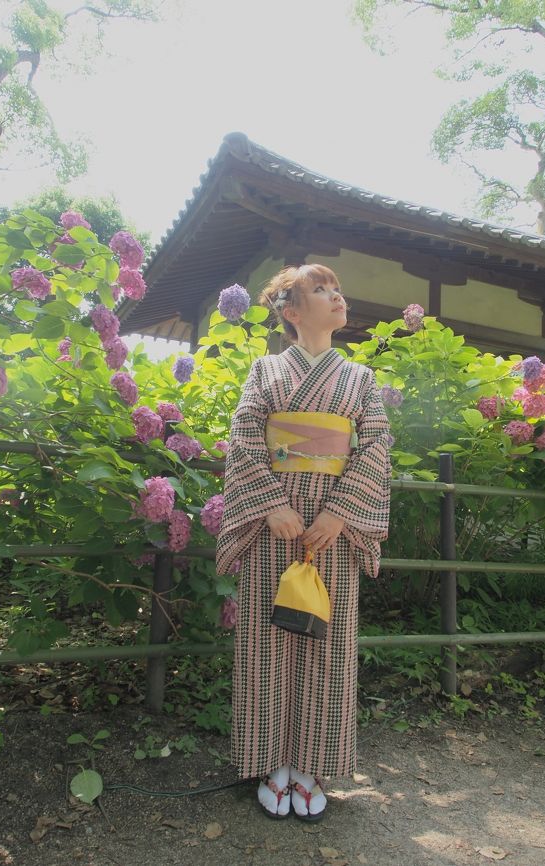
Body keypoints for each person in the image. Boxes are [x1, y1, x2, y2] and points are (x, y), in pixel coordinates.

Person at [216, 264, 391, 821]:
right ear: (291, 313)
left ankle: (311, 766)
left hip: (330, 535)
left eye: (337, 288)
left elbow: (377, 446)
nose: (337, 296)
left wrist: (341, 513)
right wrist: (270, 503)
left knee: (326, 643)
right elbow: (244, 438)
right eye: (321, 290)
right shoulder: (264, 370)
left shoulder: (359, 379)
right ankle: (272, 763)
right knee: (267, 645)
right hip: (276, 526)